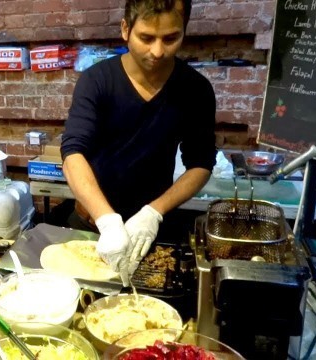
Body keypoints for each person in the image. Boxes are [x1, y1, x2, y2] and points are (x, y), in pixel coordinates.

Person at [60, 0, 217, 284]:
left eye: (171, 38)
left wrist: (153, 213)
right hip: (92, 225)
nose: (158, 51)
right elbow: (72, 154)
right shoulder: (97, 81)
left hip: (150, 234)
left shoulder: (195, 89)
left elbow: (201, 163)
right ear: (125, 29)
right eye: (146, 38)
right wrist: (107, 220)